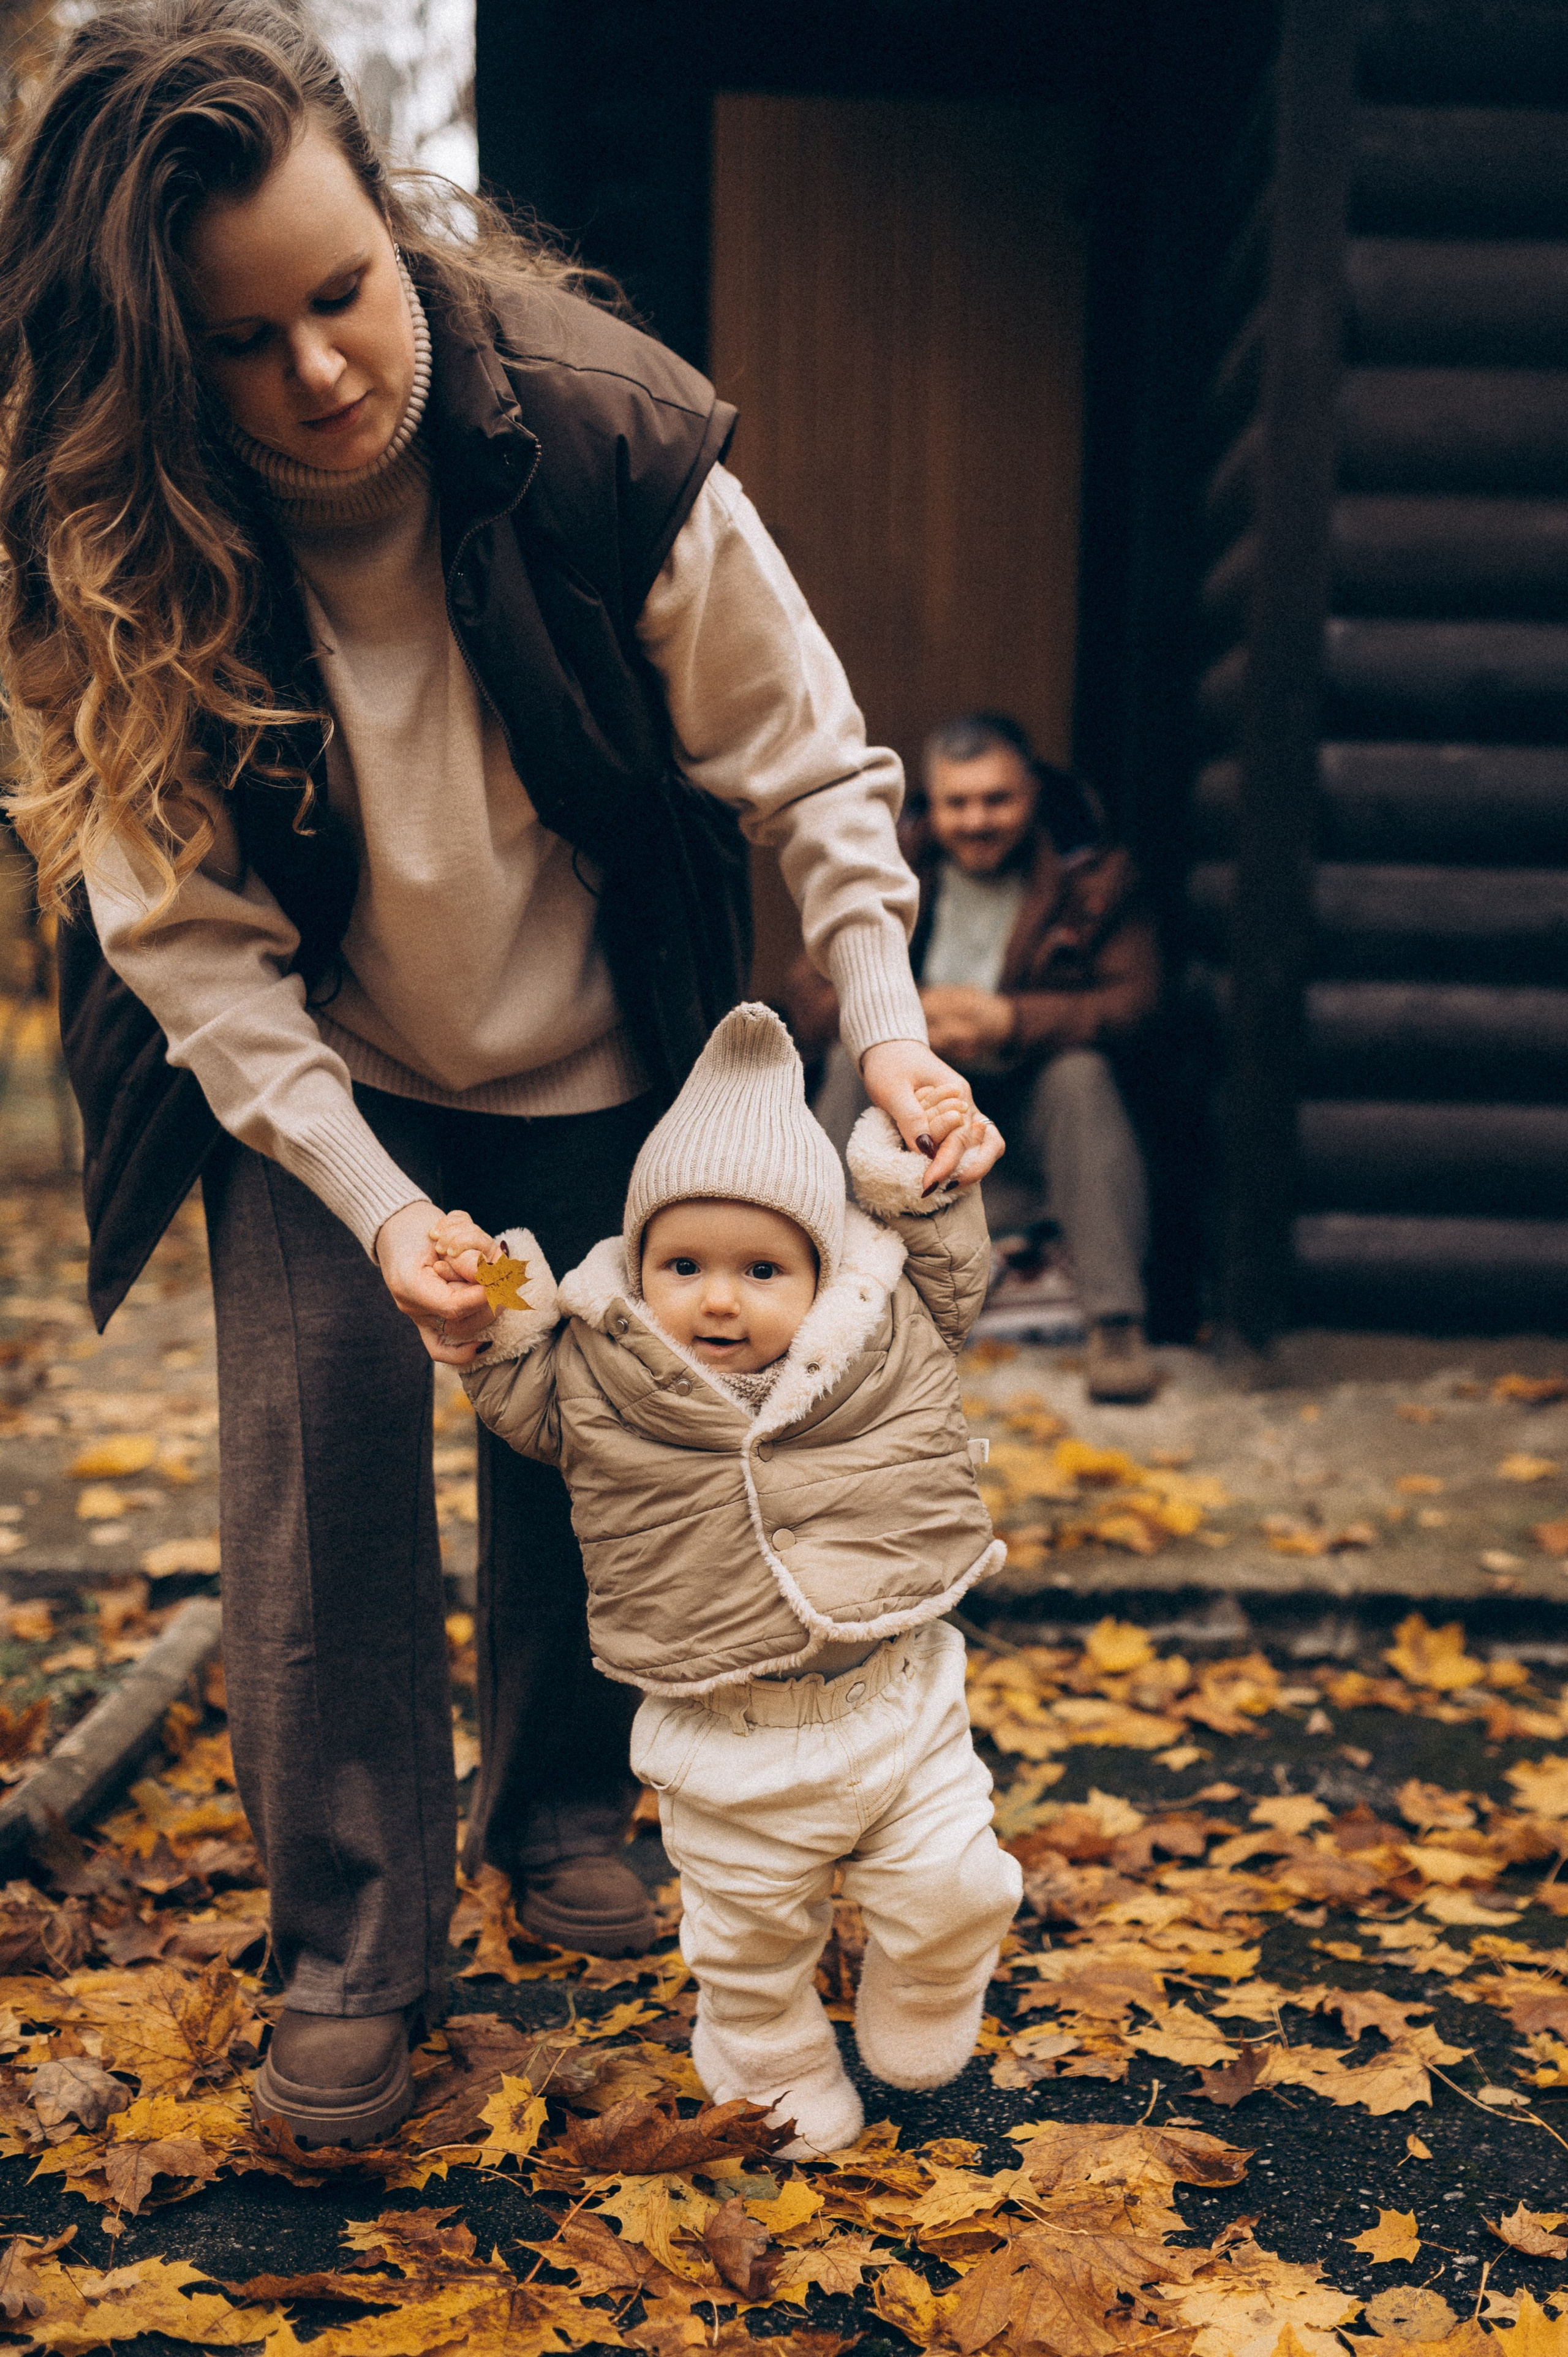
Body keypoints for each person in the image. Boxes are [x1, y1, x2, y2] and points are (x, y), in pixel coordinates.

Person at [0, 2, 1002, 2148]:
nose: (318, 371)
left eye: (341, 292)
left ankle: (562, 1808)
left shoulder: (602, 433)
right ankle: (356, 1948)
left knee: (610, 1440)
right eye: (239, 343)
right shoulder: (104, 547)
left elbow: (810, 765)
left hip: (607, 1040)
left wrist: (888, 1022)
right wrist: (378, 1208)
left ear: (393, 222)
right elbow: (187, 949)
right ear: (157, 365)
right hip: (324, 1074)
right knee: (323, 1469)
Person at [429, 1004, 1022, 2159]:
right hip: (727, 1733)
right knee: (748, 1941)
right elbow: (508, 1368)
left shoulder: (889, 1328)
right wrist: (486, 1282)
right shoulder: (595, 1375)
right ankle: (769, 2055)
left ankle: (933, 1970)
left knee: (959, 1880)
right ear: (638, 1267)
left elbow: (946, 1253)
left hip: (899, 1702)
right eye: (683, 1266)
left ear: (823, 1270)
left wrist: (923, 1168)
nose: (717, 1298)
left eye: (761, 1269)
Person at [788, 712, 1161, 1404]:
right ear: (930, 804)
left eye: (997, 799)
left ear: (1033, 793)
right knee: (847, 1059)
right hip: (913, 1119)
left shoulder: (1091, 873)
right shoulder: (885, 867)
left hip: (1027, 1121)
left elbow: (1138, 1003)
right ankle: (815, 1292)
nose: (976, 820)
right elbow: (806, 995)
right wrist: (897, 1022)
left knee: (1081, 1075)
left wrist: (1011, 1022)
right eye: (957, 803)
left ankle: (1115, 1323)